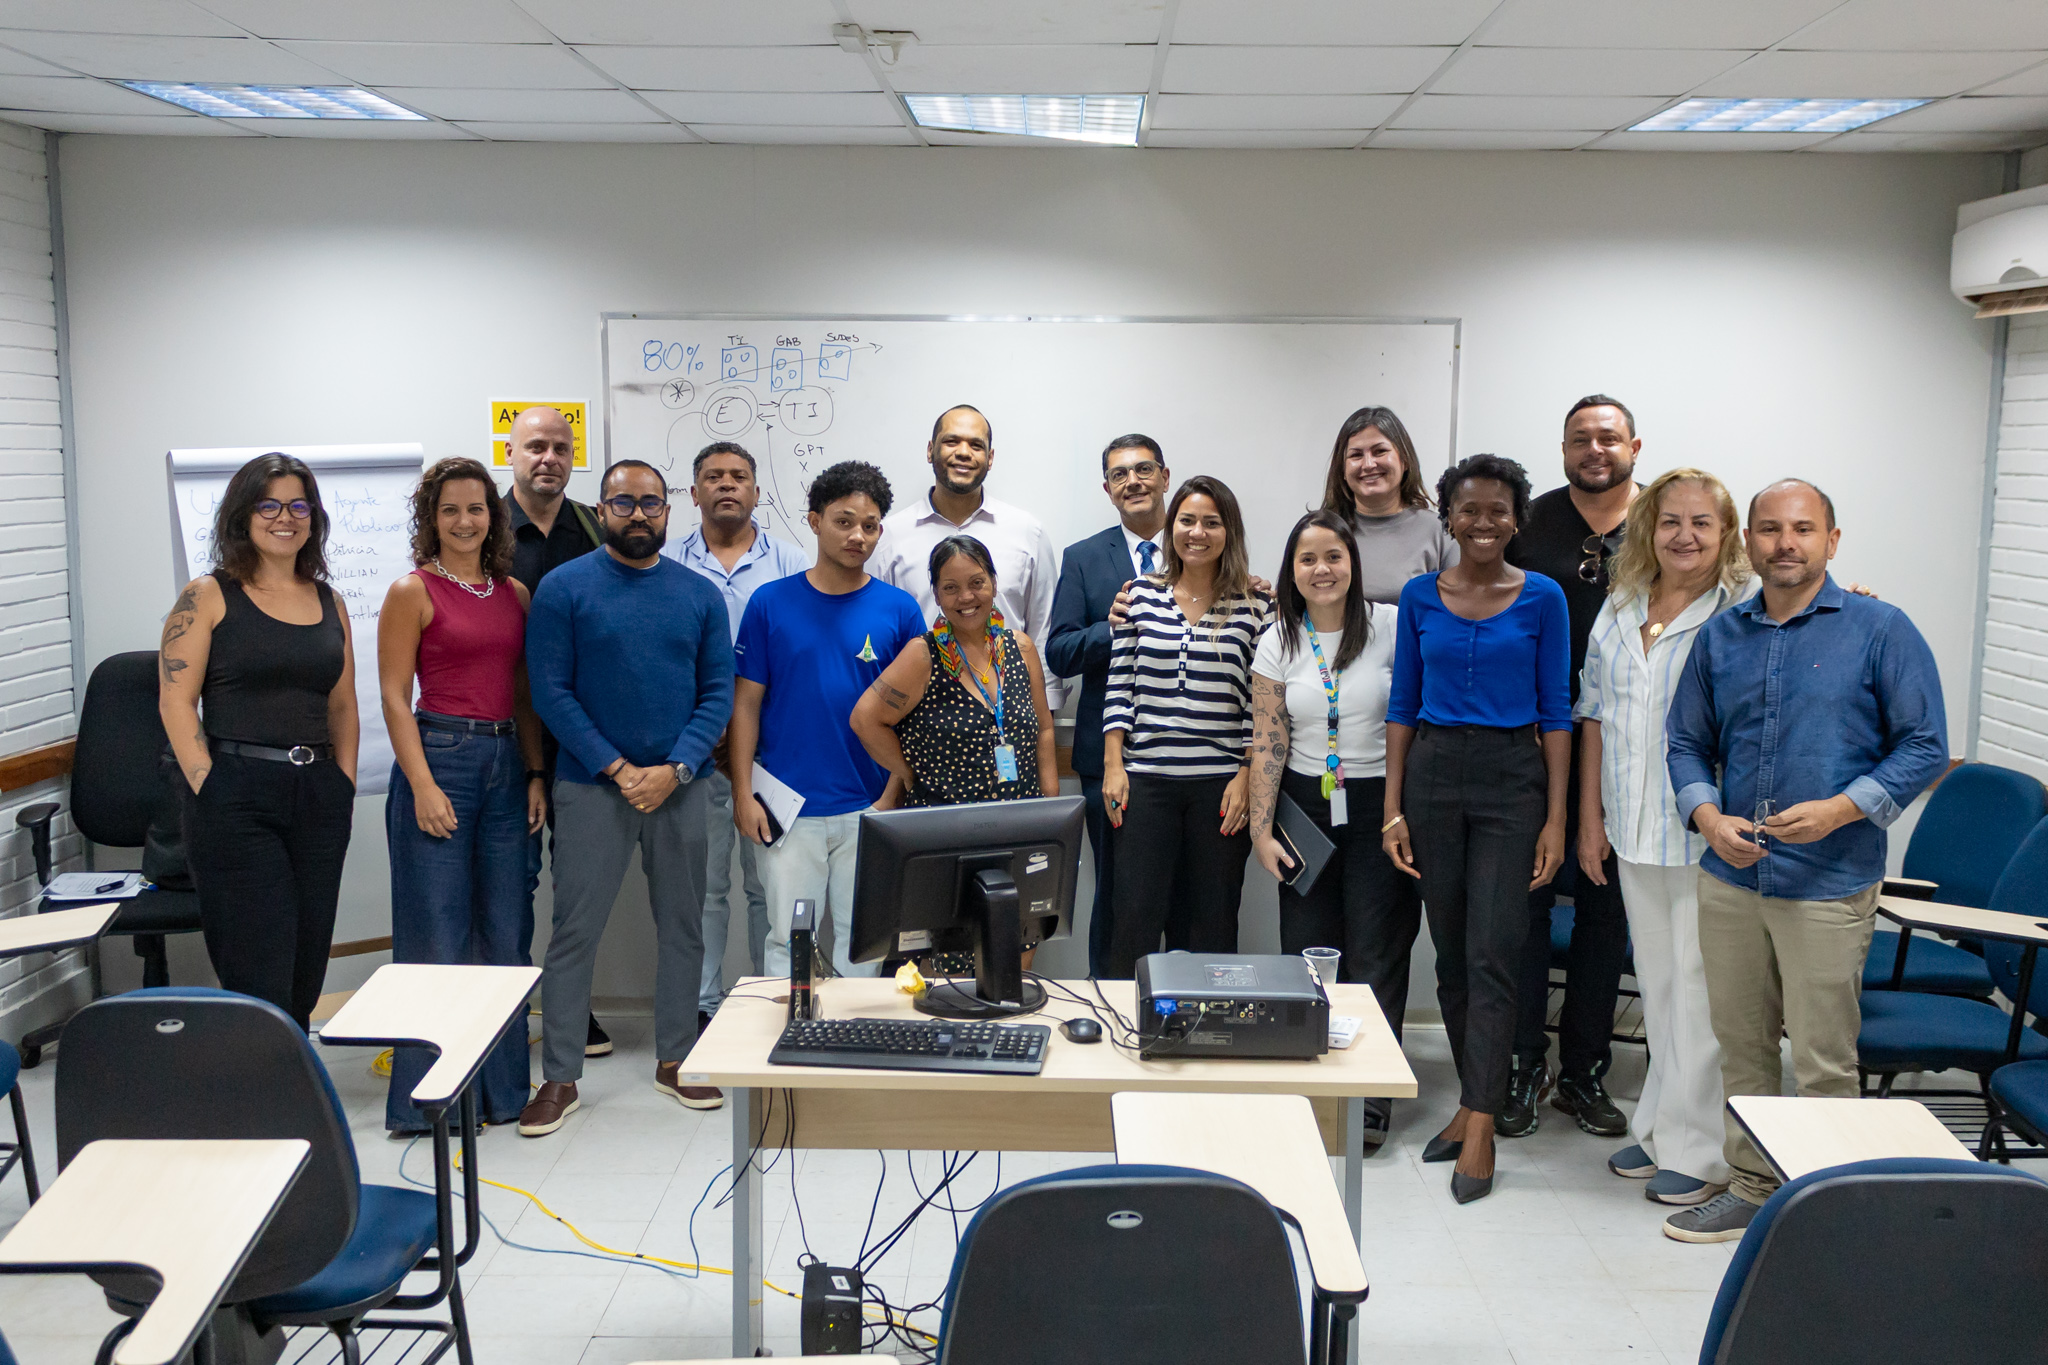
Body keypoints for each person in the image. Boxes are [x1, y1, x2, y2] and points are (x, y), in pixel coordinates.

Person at [1661, 479, 1947, 1242]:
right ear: (1748, 541)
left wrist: (1841, 809)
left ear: (1831, 540)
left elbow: (1925, 745)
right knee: (1744, 1048)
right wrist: (1706, 813)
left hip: (1829, 881)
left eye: (1802, 528)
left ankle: (1828, 1213)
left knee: (1822, 1059)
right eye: (1769, 529)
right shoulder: (1721, 637)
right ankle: (1753, 1187)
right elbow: (1685, 740)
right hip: (1731, 878)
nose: (1785, 543)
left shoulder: (1882, 630)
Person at [518, 459, 735, 1136]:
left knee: (684, 925)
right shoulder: (563, 588)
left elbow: (717, 693)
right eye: (623, 503)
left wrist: (676, 766)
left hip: (680, 787)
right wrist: (616, 767)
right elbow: (550, 690)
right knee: (573, 932)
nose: (638, 514)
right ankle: (559, 1076)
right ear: (601, 509)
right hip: (590, 787)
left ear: (670, 510)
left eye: (650, 503)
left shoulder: (699, 594)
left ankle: (677, 1058)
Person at [1383, 453, 1572, 1204]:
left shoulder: (1544, 597)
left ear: (1517, 519)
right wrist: (1393, 807)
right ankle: (1471, 1098)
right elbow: (1403, 703)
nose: (1484, 522)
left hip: (1511, 779)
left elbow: (1556, 710)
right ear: (1449, 518)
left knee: (1495, 952)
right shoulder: (1418, 595)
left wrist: (1555, 818)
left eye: (1499, 510)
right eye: (1469, 509)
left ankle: (1484, 1124)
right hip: (1432, 776)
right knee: (1452, 959)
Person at [1575, 469, 1752, 1207]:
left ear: (1726, 533)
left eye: (1701, 523)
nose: (1684, 535)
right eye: (1670, 520)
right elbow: (1593, 712)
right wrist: (1591, 819)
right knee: (1657, 984)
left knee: (1699, 995)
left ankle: (1703, 1153)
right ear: (1648, 526)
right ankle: (1656, 1130)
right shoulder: (1621, 603)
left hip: (1705, 830)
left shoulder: (1742, 607)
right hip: (1631, 823)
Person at [158, 452, 359, 1031]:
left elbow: (342, 705)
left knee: (305, 968)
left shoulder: (330, 601)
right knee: (259, 970)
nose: (284, 518)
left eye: (298, 506)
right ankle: (256, 1083)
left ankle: (289, 1077)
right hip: (235, 796)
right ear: (243, 515)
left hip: (318, 794)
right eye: (268, 505)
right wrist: (209, 785)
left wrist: (342, 784)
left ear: (313, 518)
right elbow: (175, 701)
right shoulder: (208, 594)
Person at [377, 457, 546, 1134]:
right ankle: (431, 1103)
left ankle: (503, 1095)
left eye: (476, 508)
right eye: (449, 509)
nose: (464, 521)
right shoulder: (411, 591)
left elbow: (524, 693)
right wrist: (421, 783)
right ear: (431, 518)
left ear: (492, 516)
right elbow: (394, 695)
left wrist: (534, 772)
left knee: (505, 935)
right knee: (437, 936)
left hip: (506, 762)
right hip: (440, 756)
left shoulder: (515, 593)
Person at [1248, 510, 1414, 1147]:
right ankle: (1310, 1086)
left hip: (1380, 805)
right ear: (1292, 570)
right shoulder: (1278, 639)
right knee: (1307, 950)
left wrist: (1400, 812)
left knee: (1376, 950)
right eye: (1308, 559)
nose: (1322, 570)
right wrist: (1262, 831)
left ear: (1353, 564)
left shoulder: (1391, 626)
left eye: (1334, 557)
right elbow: (1268, 739)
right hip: (1304, 806)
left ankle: (1368, 1098)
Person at [1500, 395, 1640, 1140]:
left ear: (1634, 447)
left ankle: (1584, 1071)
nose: (1594, 449)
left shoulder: (1662, 523)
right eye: (1580, 438)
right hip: (1534, 746)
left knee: (1604, 914)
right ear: (1562, 449)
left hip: (1627, 751)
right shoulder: (1529, 523)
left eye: (1608, 437)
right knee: (1525, 908)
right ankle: (1525, 1063)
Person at [730, 461, 926, 979]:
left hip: (870, 806)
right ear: (815, 521)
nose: (858, 536)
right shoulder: (769, 604)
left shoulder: (900, 610)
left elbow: (912, 717)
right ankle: (789, 1031)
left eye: (870, 525)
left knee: (864, 945)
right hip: (787, 808)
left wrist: (892, 795)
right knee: (787, 941)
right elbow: (745, 705)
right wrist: (743, 793)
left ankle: (851, 1032)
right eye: (844, 521)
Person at [662, 441, 808, 1030]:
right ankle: (704, 1006)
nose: (727, 485)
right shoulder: (665, 562)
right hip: (691, 750)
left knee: (770, 886)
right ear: (694, 491)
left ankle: (767, 1001)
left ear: (755, 491)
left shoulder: (792, 562)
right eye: (714, 476)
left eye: (739, 476)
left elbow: (798, 655)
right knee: (704, 887)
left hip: (770, 752)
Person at [1100, 476, 1271, 977]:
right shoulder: (1139, 596)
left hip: (1220, 788)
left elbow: (1259, 705)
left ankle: (1206, 1021)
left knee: (1211, 922)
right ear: (1171, 527)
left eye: (1211, 523)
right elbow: (1120, 685)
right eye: (1187, 520)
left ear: (1229, 531)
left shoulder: (1256, 605)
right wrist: (1114, 765)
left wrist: (1246, 775)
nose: (1197, 533)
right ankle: (1126, 1018)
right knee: (1133, 918)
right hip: (1144, 782)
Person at [502, 403, 614, 1061]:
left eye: (561, 448)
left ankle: (571, 1008)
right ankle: (509, 1016)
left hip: (581, 735)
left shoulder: (596, 528)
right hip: (502, 736)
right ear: (511, 454)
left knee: (578, 887)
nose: (548, 458)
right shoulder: (481, 527)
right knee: (511, 886)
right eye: (535, 446)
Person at [1045, 435, 1174, 975]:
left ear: (1164, 477)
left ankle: (1185, 1008)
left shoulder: (1201, 542)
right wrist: (1111, 629)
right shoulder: (1083, 557)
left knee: (1187, 898)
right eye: (1120, 475)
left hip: (1191, 758)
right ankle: (1111, 1002)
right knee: (1120, 898)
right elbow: (1059, 651)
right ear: (1107, 489)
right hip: (1108, 760)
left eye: (1143, 470)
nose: (1133, 482)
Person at [872, 405, 1064, 707]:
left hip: (1009, 709)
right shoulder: (890, 537)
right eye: (951, 441)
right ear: (930, 450)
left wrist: (1046, 710)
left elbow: (1043, 629)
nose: (963, 452)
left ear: (990, 458)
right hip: (920, 712)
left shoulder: (1027, 532)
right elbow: (881, 634)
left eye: (976, 445)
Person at [851, 534, 1060, 806]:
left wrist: (1050, 801)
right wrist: (912, 773)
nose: (966, 597)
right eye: (950, 588)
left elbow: (1044, 728)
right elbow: (864, 720)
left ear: (994, 584)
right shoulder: (922, 655)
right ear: (937, 596)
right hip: (945, 820)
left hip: (1022, 816)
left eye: (977, 583)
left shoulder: (1021, 648)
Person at [1319, 405, 1457, 605]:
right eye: (1356, 455)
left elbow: (1460, 609)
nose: (1368, 464)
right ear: (1342, 469)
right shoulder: (1322, 532)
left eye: (1380, 451)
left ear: (1405, 460)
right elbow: (1293, 603)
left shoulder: (1440, 532)